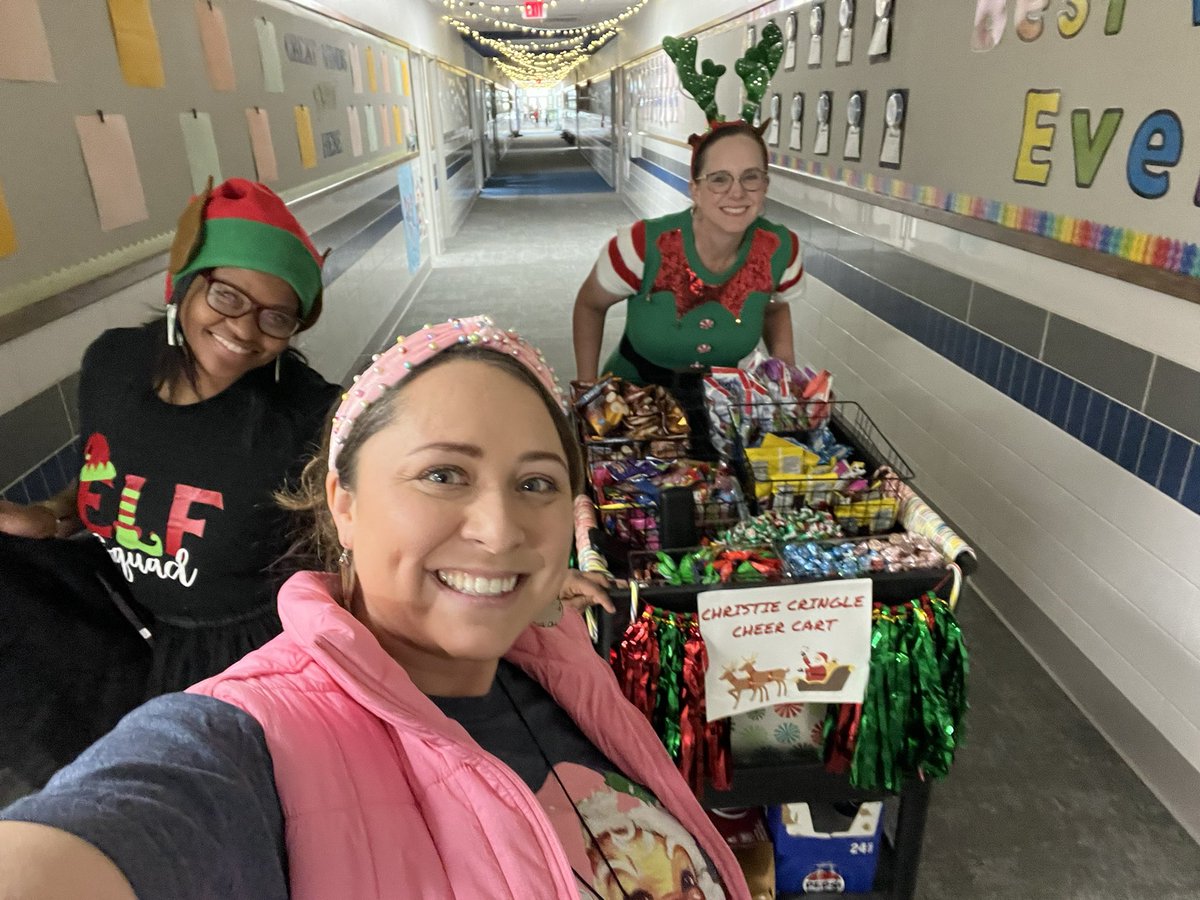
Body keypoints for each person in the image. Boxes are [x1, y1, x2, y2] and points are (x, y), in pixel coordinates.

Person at [0, 316, 751, 900]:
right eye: (444, 474)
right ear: (344, 505)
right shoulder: (255, 740)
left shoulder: (561, 665)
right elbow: (100, 834)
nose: (499, 530)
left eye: (536, 484)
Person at [0, 178, 340, 792]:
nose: (246, 328)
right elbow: (105, 473)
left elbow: (382, 526)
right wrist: (50, 518)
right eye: (228, 295)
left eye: (277, 315)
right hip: (117, 621)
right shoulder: (112, 364)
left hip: (242, 651)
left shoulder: (309, 417)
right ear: (184, 283)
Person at [572, 124, 804, 388]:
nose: (737, 192)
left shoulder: (779, 249)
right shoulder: (643, 245)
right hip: (634, 399)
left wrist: (785, 374)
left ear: (765, 186)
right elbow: (590, 305)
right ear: (695, 189)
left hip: (720, 405)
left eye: (750, 177)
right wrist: (586, 387)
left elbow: (774, 305)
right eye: (719, 179)